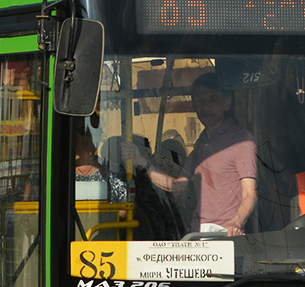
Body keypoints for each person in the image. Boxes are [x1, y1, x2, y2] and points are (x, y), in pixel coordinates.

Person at [132, 72, 257, 236]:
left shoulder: (242, 141)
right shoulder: (201, 144)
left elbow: (250, 194)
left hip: (225, 236)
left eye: (213, 99)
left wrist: (235, 223)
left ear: (227, 103)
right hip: (198, 235)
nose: (205, 107)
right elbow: (177, 186)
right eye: (200, 100)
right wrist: (142, 162)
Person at [74, 124, 127, 203]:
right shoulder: (63, 174)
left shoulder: (112, 173)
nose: (89, 137)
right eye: (83, 131)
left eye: (95, 133)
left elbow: (125, 207)